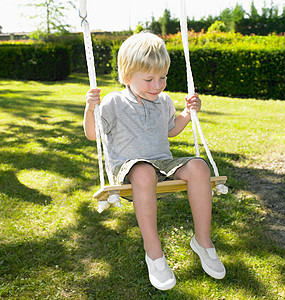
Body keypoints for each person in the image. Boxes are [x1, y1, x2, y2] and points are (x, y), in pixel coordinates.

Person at [83, 32, 225, 290]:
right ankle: (154, 252)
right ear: (127, 77)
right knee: (144, 172)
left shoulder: (163, 102)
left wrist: (188, 113)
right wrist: (91, 108)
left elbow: (170, 130)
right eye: (148, 79)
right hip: (129, 170)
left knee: (199, 166)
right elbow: (93, 134)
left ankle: (203, 241)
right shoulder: (115, 102)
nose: (157, 85)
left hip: (162, 165)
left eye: (162, 78)